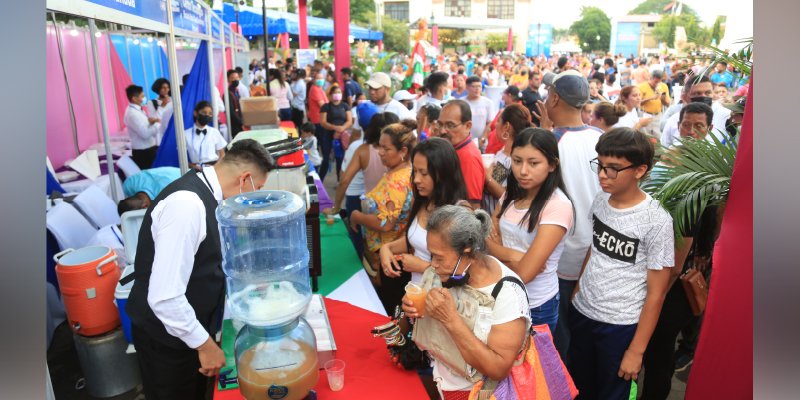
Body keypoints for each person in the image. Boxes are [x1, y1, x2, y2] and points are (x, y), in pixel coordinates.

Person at [126, 139, 275, 400]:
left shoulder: (210, 196)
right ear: (245, 179)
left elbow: (205, 258)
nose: (253, 199)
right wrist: (205, 345)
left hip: (186, 331)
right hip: (166, 341)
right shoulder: (186, 205)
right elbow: (165, 297)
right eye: (257, 189)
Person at [568, 128, 674, 399]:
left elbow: (657, 293)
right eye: (600, 166)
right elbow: (594, 248)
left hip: (619, 326)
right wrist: (578, 288)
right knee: (579, 387)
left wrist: (636, 351)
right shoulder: (602, 198)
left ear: (639, 170)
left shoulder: (656, 220)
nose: (603, 175)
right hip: (583, 313)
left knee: (614, 392)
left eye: (613, 168)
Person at [402, 205, 531, 398]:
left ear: (467, 249)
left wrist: (451, 320)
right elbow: (420, 328)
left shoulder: (507, 294)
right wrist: (408, 311)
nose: (433, 265)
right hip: (440, 381)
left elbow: (498, 369)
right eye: (431, 255)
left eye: (439, 257)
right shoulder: (444, 273)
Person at [487, 128, 574, 334]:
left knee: (531, 365)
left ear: (552, 165)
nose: (523, 171)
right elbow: (486, 238)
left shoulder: (557, 205)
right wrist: (514, 255)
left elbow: (525, 274)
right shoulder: (511, 193)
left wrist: (496, 253)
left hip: (535, 304)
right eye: (517, 161)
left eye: (533, 163)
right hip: (501, 295)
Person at [349, 120, 417, 313]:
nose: (380, 152)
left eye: (386, 148)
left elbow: (385, 223)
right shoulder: (400, 173)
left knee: (387, 308)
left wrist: (356, 216)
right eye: (380, 146)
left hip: (389, 259)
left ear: (403, 151)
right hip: (390, 256)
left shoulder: (397, 180)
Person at [379, 137, 467, 286]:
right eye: (415, 171)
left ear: (443, 173)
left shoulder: (460, 213)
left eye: (424, 173)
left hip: (440, 301)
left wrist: (423, 267)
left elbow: (463, 275)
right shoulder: (423, 200)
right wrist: (387, 248)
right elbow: (416, 239)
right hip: (416, 293)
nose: (416, 179)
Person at [323, 108, 397, 259]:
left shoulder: (363, 151)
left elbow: (344, 180)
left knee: (368, 250)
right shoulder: (402, 153)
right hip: (397, 209)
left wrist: (336, 207)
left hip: (372, 211)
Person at [482, 104, 532, 215]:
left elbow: (509, 197)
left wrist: (487, 178)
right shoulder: (503, 152)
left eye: (498, 121)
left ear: (506, 126)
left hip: (501, 222)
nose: (496, 125)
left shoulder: (516, 160)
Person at [436, 100, 485, 208]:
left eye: (450, 125)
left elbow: (472, 207)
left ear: (468, 126)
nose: (443, 131)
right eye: (440, 124)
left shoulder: (468, 157)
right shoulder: (452, 149)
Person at [660, 75, 731, 147]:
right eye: (697, 93)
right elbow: (665, 149)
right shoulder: (673, 120)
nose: (703, 96)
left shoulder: (727, 116)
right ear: (685, 97)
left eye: (707, 93)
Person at [319, 84, 353, 181]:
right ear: (330, 95)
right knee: (326, 159)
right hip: (328, 136)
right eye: (335, 93)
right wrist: (335, 128)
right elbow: (323, 122)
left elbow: (349, 121)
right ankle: (319, 182)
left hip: (341, 137)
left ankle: (340, 181)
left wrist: (341, 129)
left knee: (340, 160)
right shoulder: (326, 107)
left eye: (339, 92)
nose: (337, 94)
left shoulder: (345, 106)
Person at [124, 84, 161, 170]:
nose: (144, 98)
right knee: (149, 176)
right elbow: (145, 134)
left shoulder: (138, 110)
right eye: (142, 96)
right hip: (143, 152)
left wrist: (150, 121)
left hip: (148, 148)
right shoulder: (132, 114)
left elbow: (143, 126)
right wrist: (158, 124)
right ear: (134, 98)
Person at [185, 101, 227, 169]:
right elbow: (182, 158)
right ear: (196, 113)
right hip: (195, 170)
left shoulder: (214, 132)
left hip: (214, 168)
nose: (207, 115)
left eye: (210, 113)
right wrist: (193, 166)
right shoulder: (185, 134)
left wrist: (214, 167)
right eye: (204, 112)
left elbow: (222, 155)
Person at [484, 86, 524, 156]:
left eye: (503, 94)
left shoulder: (515, 112)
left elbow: (502, 166)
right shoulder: (511, 109)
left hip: (500, 148)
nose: (502, 98)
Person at [464, 76, 494, 146]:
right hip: (465, 140)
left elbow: (489, 122)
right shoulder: (462, 102)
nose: (477, 89)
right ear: (467, 87)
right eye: (474, 86)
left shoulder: (488, 103)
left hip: (482, 140)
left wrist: (483, 138)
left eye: (479, 86)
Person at [145, 78, 174, 144]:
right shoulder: (152, 102)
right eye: (163, 88)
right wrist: (162, 106)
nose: (166, 90)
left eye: (167, 87)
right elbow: (154, 119)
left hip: (172, 131)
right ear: (158, 89)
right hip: (159, 135)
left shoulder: (173, 101)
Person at [226, 70, 244, 139]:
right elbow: (231, 112)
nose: (235, 80)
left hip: (240, 123)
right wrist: (241, 122)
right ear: (228, 79)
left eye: (237, 77)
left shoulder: (236, 91)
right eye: (232, 78)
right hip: (234, 125)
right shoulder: (228, 94)